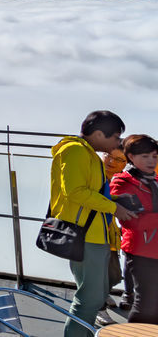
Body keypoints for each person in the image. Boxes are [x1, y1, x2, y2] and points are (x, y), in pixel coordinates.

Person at [51, 110, 132, 337]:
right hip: (85, 235)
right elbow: (75, 192)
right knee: (89, 297)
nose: (118, 143)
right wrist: (115, 207)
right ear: (98, 134)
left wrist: (116, 200)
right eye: (116, 137)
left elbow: (91, 192)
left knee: (94, 295)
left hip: (94, 233)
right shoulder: (75, 151)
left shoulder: (87, 153)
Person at [111, 133, 158, 324]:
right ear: (130, 156)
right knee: (145, 303)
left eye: (154, 156)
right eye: (145, 156)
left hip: (153, 248)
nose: (151, 161)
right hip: (140, 251)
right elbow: (132, 221)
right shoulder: (122, 182)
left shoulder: (155, 180)